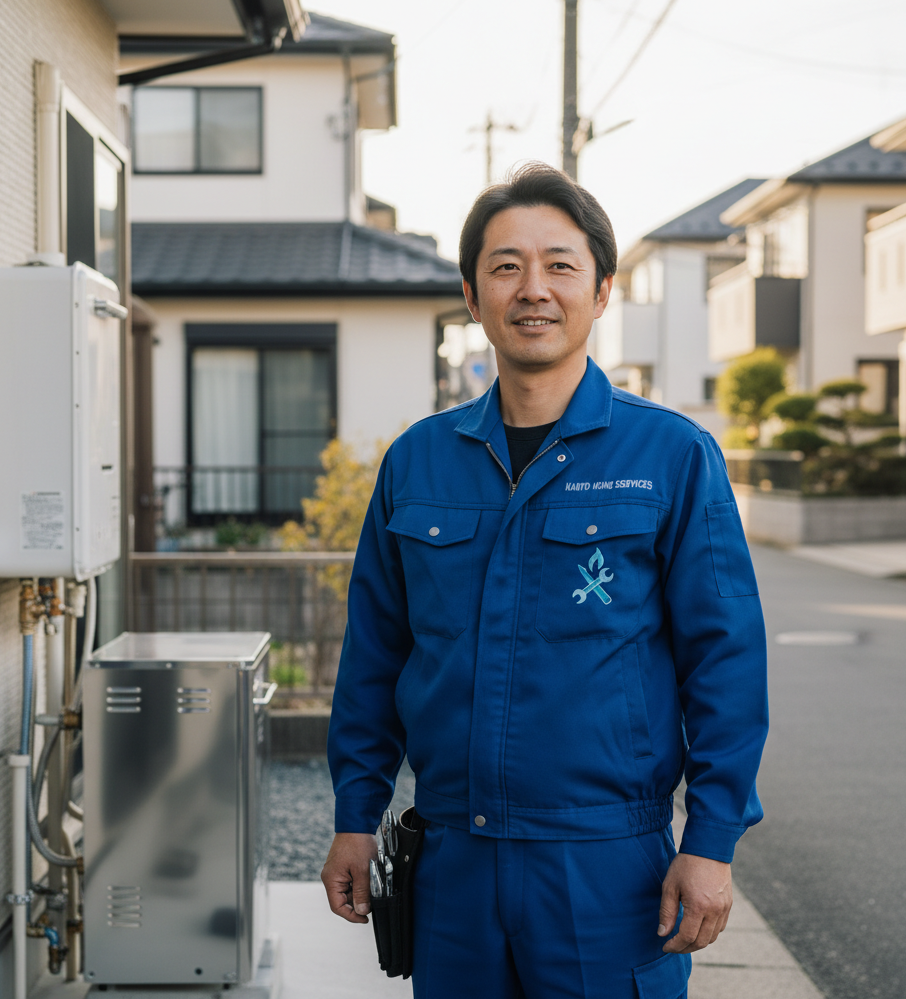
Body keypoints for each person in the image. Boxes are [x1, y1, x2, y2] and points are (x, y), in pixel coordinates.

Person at [321, 162, 768, 999]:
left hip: (605, 865)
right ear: (471, 292)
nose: (534, 289)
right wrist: (356, 816)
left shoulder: (670, 457)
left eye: (561, 265)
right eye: (506, 266)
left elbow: (727, 661)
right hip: (453, 863)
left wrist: (710, 841)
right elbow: (375, 655)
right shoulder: (417, 461)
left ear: (601, 291)